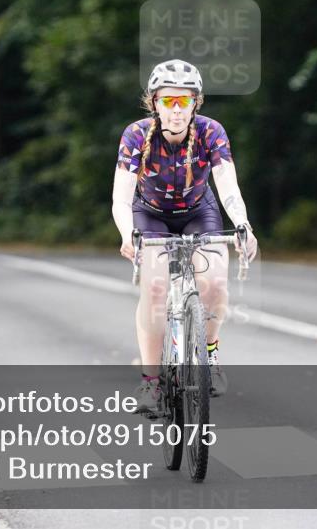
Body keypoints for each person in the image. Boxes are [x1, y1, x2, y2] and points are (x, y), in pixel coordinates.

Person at [111, 59, 259, 414]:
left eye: (184, 101)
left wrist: (242, 223)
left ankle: (208, 354)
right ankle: (150, 383)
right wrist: (127, 233)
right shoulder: (136, 135)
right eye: (167, 101)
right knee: (156, 288)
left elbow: (226, 183)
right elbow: (121, 196)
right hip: (150, 214)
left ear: (197, 102)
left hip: (199, 211)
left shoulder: (211, 132)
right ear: (154, 103)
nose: (176, 110)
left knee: (215, 284)